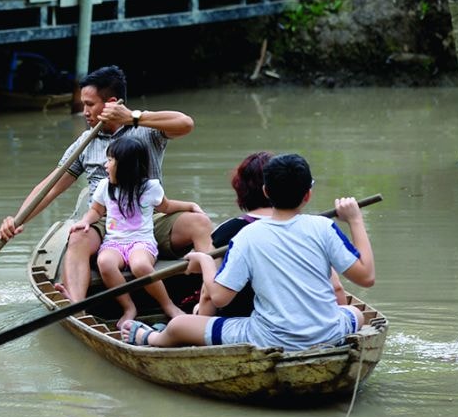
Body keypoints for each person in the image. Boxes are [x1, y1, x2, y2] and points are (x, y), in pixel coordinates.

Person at [0, 65, 213, 302]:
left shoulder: (144, 129)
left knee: (199, 223)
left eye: (90, 104)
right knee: (77, 236)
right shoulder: (85, 142)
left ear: (111, 103)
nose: (84, 111)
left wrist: (133, 117)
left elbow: (186, 123)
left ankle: (213, 295)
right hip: (104, 223)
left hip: (147, 219)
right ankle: (75, 306)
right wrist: (16, 221)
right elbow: (50, 187)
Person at [124, 154, 374, 351]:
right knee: (355, 314)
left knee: (179, 325)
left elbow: (220, 298)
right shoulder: (324, 227)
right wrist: (355, 220)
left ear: (266, 191)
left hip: (267, 338)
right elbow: (366, 277)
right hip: (329, 333)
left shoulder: (246, 236)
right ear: (308, 194)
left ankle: (152, 339)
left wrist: (204, 260)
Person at [72, 134, 205, 331]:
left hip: (141, 242)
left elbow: (166, 207)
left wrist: (190, 205)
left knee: (140, 265)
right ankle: (129, 307)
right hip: (114, 242)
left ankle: (168, 305)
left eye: (110, 160)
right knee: (105, 263)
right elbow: (96, 211)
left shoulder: (150, 187)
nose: (105, 165)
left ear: (125, 166)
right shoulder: (104, 186)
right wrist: (84, 221)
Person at [206, 152, 350, 318]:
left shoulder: (225, 233)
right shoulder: (310, 228)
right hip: (305, 322)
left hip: (241, 322)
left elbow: (209, 296)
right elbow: (336, 288)